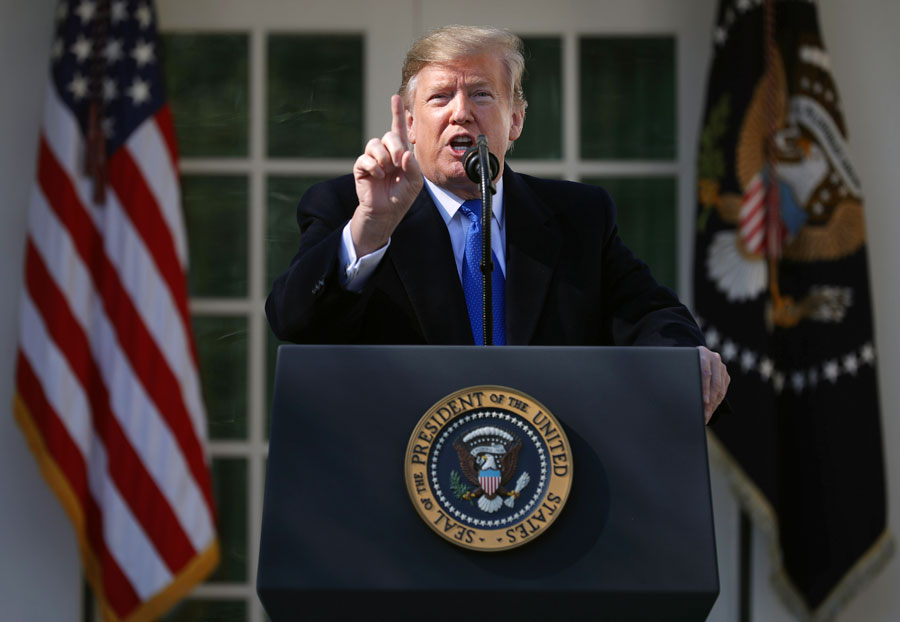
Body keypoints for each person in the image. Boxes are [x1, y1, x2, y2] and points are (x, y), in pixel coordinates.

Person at [266, 25, 729, 422]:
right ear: (409, 122)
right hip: (398, 490)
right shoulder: (348, 205)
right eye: (440, 97)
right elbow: (293, 320)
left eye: (481, 94)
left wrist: (682, 361)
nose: (460, 112)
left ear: (516, 121)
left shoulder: (579, 216)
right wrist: (370, 228)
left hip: (549, 485)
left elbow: (650, 314)